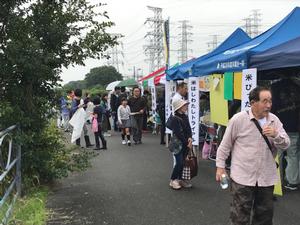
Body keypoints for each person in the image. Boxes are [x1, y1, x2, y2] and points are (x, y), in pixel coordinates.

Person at [216, 86, 290, 225]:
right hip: (242, 177)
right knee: (239, 217)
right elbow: (225, 146)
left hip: (266, 179)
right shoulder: (238, 120)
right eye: (264, 101)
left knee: (264, 217)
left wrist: (276, 135)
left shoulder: (274, 121)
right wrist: (220, 167)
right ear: (253, 103)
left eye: (270, 101)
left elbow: (286, 144)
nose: (268, 105)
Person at [271, 78, 300, 190]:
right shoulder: (297, 86)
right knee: (293, 154)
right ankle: (293, 181)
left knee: (278, 155)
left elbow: (271, 108)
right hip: (294, 126)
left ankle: (277, 182)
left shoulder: (275, 87)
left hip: (279, 127)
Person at [169, 99, 193, 190]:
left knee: (182, 162)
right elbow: (178, 133)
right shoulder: (175, 118)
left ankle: (180, 179)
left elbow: (188, 128)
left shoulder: (185, 116)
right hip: (177, 144)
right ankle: (173, 180)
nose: (186, 106)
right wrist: (188, 142)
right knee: (179, 162)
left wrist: (190, 138)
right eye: (184, 105)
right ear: (179, 107)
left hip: (185, 142)